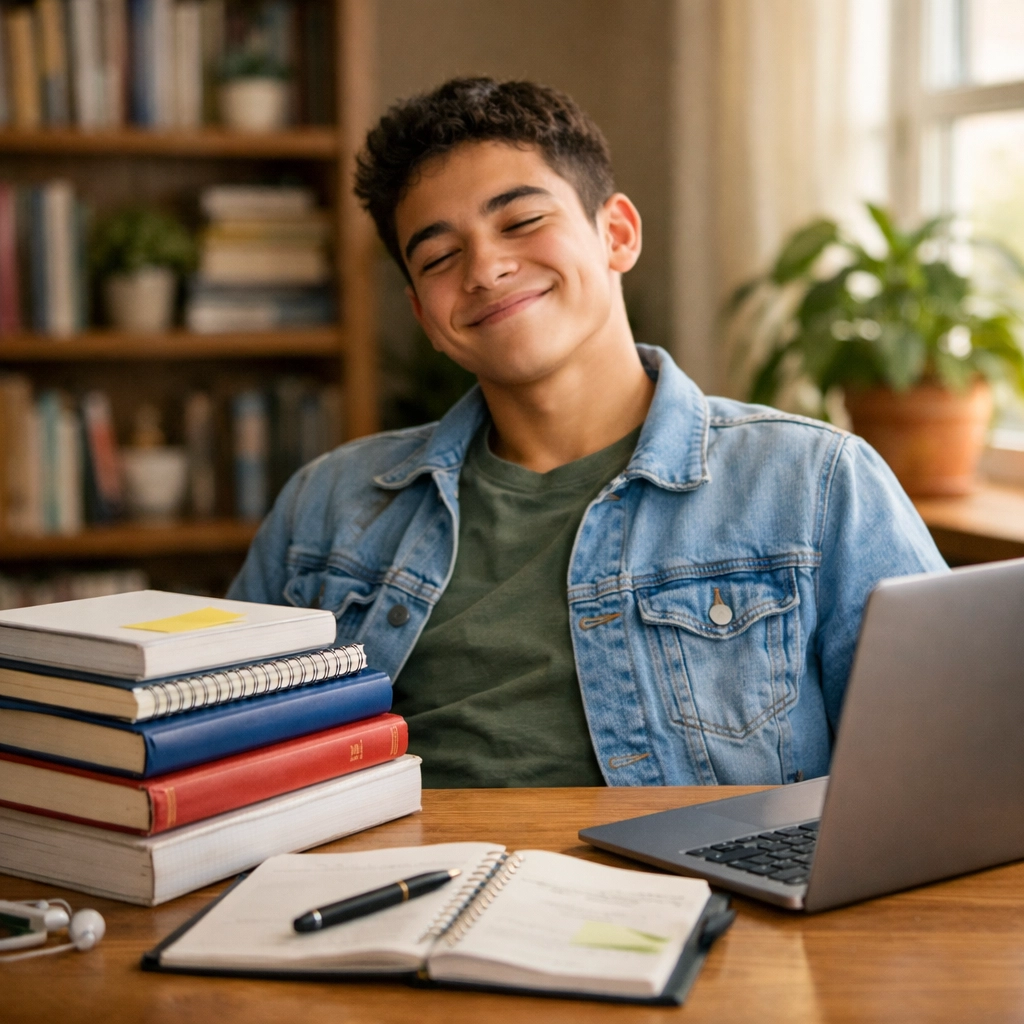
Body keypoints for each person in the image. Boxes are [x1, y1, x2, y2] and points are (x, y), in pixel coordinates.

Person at [228, 77, 947, 789]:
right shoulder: (325, 505)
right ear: (425, 316)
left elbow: (945, 778)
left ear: (618, 235)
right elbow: (222, 763)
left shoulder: (816, 483)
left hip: (702, 898)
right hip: (401, 892)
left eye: (520, 222)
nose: (486, 268)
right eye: (440, 256)